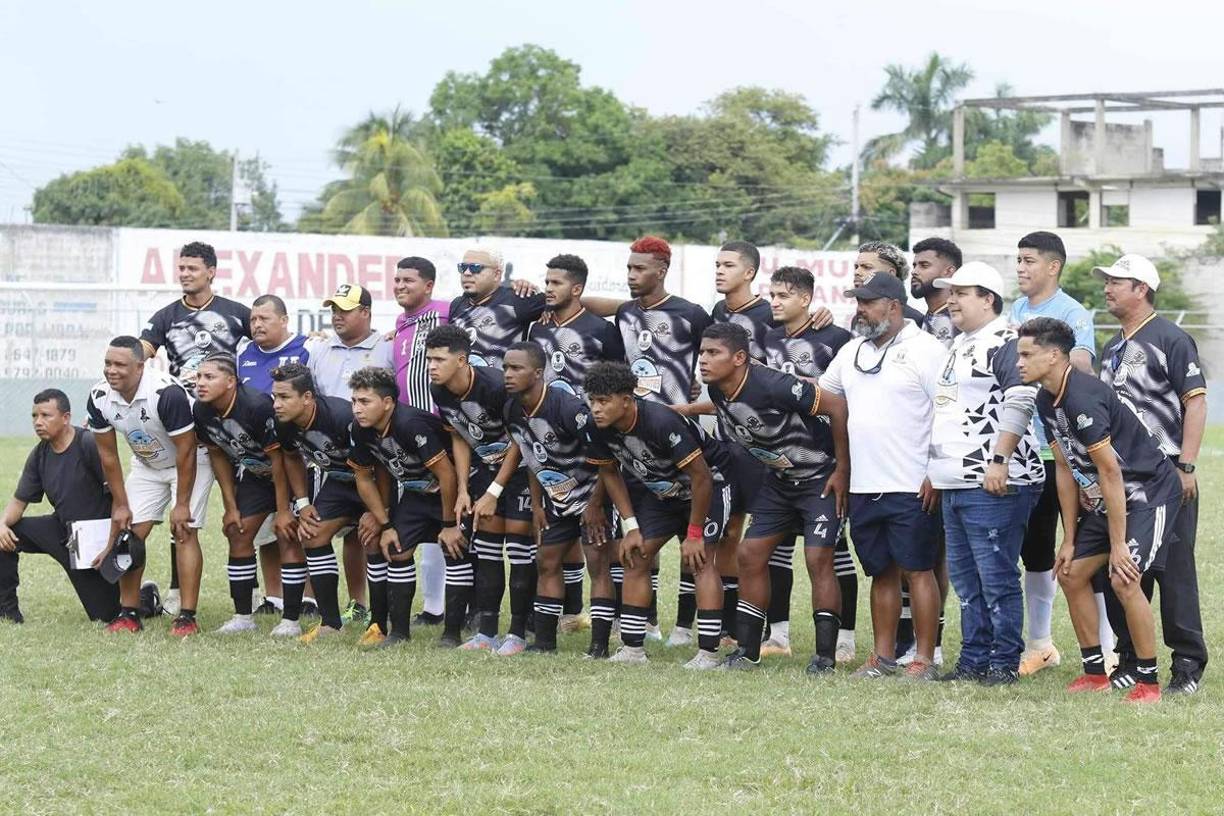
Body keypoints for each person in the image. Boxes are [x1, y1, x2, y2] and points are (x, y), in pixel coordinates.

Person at [1019, 317, 1180, 704]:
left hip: (1148, 493)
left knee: (1125, 578)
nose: (1019, 362)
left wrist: (1119, 543)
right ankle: (1095, 672)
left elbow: (1110, 470)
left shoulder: (1083, 397)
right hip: (1110, 497)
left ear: (1054, 355)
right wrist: (1070, 538)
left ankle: (1148, 682)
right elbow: (1063, 467)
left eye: (1027, 354)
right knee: (1071, 574)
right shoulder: (1045, 399)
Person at [818, 273, 948, 680]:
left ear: (892, 306)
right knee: (881, 572)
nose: (859, 309)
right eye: (858, 301)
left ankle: (924, 658)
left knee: (919, 570)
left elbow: (947, 409)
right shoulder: (852, 350)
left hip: (912, 483)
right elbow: (826, 397)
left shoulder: (927, 350)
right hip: (864, 484)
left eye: (867, 302)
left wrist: (936, 471)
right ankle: (882, 657)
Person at [699, 323, 850, 672]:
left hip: (820, 479)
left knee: (817, 559)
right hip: (780, 482)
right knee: (750, 554)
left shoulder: (774, 384)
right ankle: (748, 651)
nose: (703, 360)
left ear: (739, 358)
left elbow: (838, 407)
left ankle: (825, 658)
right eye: (702, 352)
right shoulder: (719, 389)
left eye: (713, 353)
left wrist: (842, 470)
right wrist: (683, 412)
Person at [926, 263, 1045, 685]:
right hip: (955, 480)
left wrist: (1000, 460)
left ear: (988, 299)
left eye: (962, 292)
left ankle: (1002, 662)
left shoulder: (1006, 340)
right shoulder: (960, 343)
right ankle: (973, 660)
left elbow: (1022, 398)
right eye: (950, 292)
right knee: (966, 580)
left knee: (995, 577)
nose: (951, 300)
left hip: (994, 481)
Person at [1096, 254, 1208, 694]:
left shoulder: (1171, 337)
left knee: (1173, 570)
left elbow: (1195, 402)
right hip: (1123, 479)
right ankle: (1130, 657)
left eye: (1116, 282)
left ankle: (1187, 664)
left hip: (1166, 474)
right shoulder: (1113, 346)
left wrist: (1186, 464)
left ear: (1141, 288)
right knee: (1122, 567)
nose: (1107, 288)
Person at [584, 361, 740, 666]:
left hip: (708, 485)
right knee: (637, 555)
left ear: (627, 401)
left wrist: (694, 534)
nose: (596, 409)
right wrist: (631, 526)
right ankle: (632, 650)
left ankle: (708, 654)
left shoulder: (660, 421)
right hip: (663, 493)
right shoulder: (598, 427)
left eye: (604, 401)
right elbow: (610, 473)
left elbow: (702, 477)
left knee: (700, 560)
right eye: (592, 401)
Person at [1009, 231, 1104, 676]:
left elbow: (1082, 368)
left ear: (1053, 266)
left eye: (1029, 260)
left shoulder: (1073, 313)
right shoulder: (1014, 310)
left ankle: (1108, 647)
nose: (1021, 268)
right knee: (1037, 552)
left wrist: (1048, 361)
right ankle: (1041, 643)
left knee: (1088, 550)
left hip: (1066, 452)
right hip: (1026, 452)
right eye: (1018, 260)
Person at [139, 241, 247, 615]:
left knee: (249, 510)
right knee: (180, 508)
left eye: (192, 268)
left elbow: (268, 337)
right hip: (187, 427)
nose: (185, 274)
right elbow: (142, 352)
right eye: (181, 268)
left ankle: (274, 597)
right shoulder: (167, 316)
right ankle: (174, 589)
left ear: (211, 272)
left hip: (233, 426)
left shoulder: (235, 313)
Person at [617, 236, 712, 641]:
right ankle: (648, 622)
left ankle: (685, 628)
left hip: (680, 438)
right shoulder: (622, 313)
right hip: (634, 444)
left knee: (690, 543)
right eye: (628, 268)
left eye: (640, 269)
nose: (632, 275)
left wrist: (695, 396)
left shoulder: (691, 314)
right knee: (643, 539)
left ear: (662, 270)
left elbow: (719, 354)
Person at [527, 253, 626, 634]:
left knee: (601, 541)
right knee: (554, 542)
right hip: (549, 446)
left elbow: (619, 381)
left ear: (577, 288)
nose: (547, 289)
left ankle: (615, 620)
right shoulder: (537, 329)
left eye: (555, 283)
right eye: (546, 281)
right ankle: (561, 619)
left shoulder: (601, 330)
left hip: (595, 442)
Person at [86, 336, 212, 636]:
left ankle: (187, 617)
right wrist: (120, 504)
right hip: (147, 466)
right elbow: (108, 455)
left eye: (120, 365)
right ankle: (129, 613)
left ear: (140, 367)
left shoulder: (166, 393)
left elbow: (186, 451)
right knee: (127, 536)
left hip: (191, 463)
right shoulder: (99, 396)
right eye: (107, 363)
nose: (111, 371)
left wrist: (181, 505)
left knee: (184, 531)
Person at [761, 266, 856, 661]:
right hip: (781, 465)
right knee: (777, 550)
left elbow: (848, 400)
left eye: (783, 296)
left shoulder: (835, 339)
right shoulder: (766, 339)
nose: (775, 302)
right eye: (772, 295)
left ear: (806, 299)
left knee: (834, 551)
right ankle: (777, 635)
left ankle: (846, 638)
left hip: (826, 463)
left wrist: (845, 463)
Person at [426, 325, 536, 653]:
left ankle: (517, 633)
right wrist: (463, 488)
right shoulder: (440, 389)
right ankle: (486, 634)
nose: (432, 366)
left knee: (518, 550)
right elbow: (459, 435)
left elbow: (520, 439)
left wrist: (495, 490)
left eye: (439, 360)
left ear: (462, 360)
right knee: (487, 548)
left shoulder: (494, 387)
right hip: (483, 473)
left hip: (519, 473)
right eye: (429, 359)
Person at [502, 341, 610, 654]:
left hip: (593, 497)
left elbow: (607, 460)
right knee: (546, 562)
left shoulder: (568, 409)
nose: (508, 374)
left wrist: (595, 505)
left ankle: (599, 646)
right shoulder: (512, 408)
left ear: (538, 373)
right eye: (506, 367)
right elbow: (533, 456)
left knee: (598, 565)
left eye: (516, 368)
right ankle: (545, 643)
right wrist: (537, 505)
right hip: (556, 502)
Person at [347, 367, 463, 648]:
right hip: (415, 494)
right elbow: (364, 477)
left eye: (365, 402)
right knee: (396, 550)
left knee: (456, 551)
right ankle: (398, 632)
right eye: (354, 401)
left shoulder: (411, 423)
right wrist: (384, 522)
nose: (357, 409)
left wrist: (449, 525)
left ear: (387, 403)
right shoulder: (360, 430)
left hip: (451, 492)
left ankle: (452, 634)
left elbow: (447, 475)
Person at [308, 282, 397, 628]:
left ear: (366, 313)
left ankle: (382, 613)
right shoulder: (320, 350)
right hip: (336, 463)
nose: (337, 316)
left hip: (378, 462)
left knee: (372, 532)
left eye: (345, 310)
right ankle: (356, 603)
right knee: (342, 533)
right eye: (333, 310)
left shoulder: (385, 348)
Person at [0, 389, 120, 623]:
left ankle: (145, 596)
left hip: (92, 541)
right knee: (5, 536)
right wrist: (2, 524)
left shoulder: (87, 443)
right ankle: (7, 611)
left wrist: (110, 543)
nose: (38, 422)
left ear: (66, 418)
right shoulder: (39, 454)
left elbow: (118, 497)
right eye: (34, 416)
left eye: (46, 415)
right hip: (60, 529)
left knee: (106, 615)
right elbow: (18, 502)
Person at [192, 353, 291, 634]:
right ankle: (243, 617)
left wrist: (283, 510)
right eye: (199, 376)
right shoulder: (201, 410)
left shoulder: (257, 406)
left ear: (231, 381)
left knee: (289, 533)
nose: (200, 383)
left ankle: (292, 618)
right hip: (256, 476)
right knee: (237, 531)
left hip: (291, 474)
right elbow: (218, 456)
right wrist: (230, 505)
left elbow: (281, 460)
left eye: (209, 377)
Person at [269, 363, 365, 642]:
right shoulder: (283, 422)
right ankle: (332, 623)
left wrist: (378, 511)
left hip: (374, 479)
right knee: (311, 534)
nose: (277, 404)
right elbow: (291, 457)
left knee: (377, 539)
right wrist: (302, 502)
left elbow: (378, 460)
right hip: (339, 482)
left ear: (308, 397)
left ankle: (383, 624)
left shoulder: (341, 416)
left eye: (284, 397)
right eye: (275, 396)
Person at [237, 293, 310, 616]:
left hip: (297, 454)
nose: (257, 325)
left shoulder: (309, 348)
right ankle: (274, 597)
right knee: (266, 531)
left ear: (284, 320)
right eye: (253, 319)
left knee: (295, 528)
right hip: (258, 458)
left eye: (264, 318)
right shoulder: (243, 353)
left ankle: (308, 599)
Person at [391, 256, 450, 629]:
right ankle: (433, 607)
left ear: (428, 285)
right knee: (420, 527)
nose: (399, 285)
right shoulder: (400, 322)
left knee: (448, 523)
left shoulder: (447, 312)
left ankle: (451, 607)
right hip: (403, 436)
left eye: (408, 280)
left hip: (438, 431)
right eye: (396, 280)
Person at [450, 248, 547, 369]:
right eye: (463, 267)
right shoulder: (457, 304)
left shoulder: (518, 299)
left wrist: (545, 306)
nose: (467, 273)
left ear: (497, 274)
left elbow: (566, 303)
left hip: (501, 386)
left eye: (475, 267)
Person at [852, 241, 924, 326]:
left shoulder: (913, 320)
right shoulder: (858, 318)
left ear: (891, 274)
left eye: (867, 267)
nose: (857, 272)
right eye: (856, 267)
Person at [910, 237, 961, 347]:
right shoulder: (924, 318)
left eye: (924, 265)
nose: (914, 272)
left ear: (948, 271)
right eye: (914, 266)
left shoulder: (961, 321)